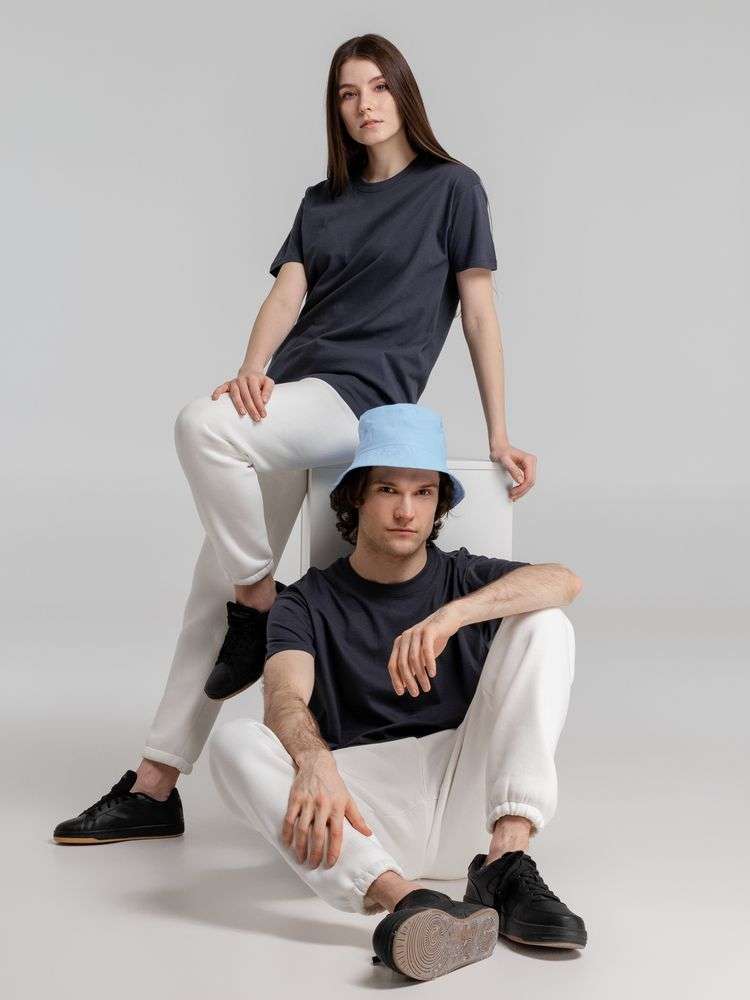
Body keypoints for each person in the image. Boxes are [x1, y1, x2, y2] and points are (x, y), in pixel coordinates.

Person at [52, 33, 537, 846]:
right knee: (211, 588)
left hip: (360, 408)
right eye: (348, 93)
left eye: (378, 87)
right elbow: (288, 294)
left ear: (404, 94)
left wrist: (499, 431)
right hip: (299, 401)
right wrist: (252, 369)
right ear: (335, 109)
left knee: (203, 430)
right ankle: (155, 785)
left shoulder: (453, 188)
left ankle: (261, 606)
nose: (364, 105)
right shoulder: (323, 201)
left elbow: (479, 313)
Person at [208, 404, 587, 982]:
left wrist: (451, 617)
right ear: (356, 497)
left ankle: (506, 865)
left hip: (468, 797)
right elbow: (284, 696)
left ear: (438, 504)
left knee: (545, 621)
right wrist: (311, 760)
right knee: (234, 740)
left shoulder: (462, 577)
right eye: (388, 489)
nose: (407, 510)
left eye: (423, 492)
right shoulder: (305, 601)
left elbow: (565, 580)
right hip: (367, 816)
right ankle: (409, 902)